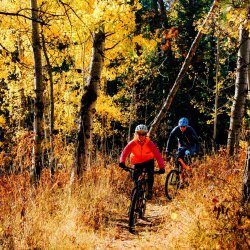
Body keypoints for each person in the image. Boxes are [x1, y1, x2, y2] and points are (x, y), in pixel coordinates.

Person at [119, 124, 165, 200]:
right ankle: (135, 192)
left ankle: (149, 191)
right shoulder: (133, 143)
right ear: (136, 134)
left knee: (150, 175)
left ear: (146, 135)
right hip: (137, 162)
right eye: (138, 133)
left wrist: (162, 167)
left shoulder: (149, 143)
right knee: (134, 177)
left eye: (143, 134)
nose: (140, 136)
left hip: (148, 161)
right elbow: (124, 152)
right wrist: (122, 162)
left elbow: (157, 155)